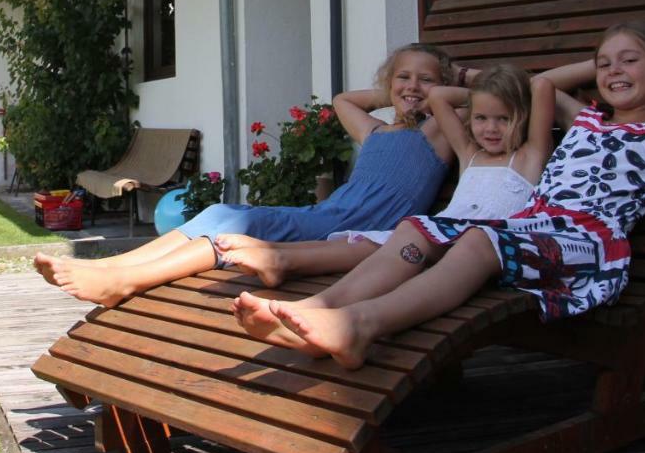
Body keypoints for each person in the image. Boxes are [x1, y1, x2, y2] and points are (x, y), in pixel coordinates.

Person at [232, 23, 645, 370]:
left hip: (585, 246)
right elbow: (542, 84)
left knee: (476, 243)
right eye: (604, 64)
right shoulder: (588, 122)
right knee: (418, 229)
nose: (614, 71)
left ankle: (360, 325)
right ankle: (320, 308)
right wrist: (609, 66)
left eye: (629, 61)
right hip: (530, 228)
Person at [33, 43, 460, 307]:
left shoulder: (439, 131)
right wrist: (396, 90)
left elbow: (484, 94)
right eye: (403, 76)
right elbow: (343, 99)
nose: (413, 85)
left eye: (426, 79)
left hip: (354, 230)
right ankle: (115, 269)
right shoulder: (378, 132)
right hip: (327, 214)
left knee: (239, 224)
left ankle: (124, 279)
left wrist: (436, 88)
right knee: (222, 211)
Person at [219, 63, 553, 293]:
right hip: (441, 232)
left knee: (395, 244)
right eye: (480, 116)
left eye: (502, 118)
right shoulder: (470, 153)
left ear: (521, 116)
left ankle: (285, 261)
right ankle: (280, 257)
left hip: (482, 248)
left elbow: (541, 86)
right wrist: (478, 89)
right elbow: (438, 97)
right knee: (371, 242)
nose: (490, 128)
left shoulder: (529, 156)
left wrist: (483, 83)